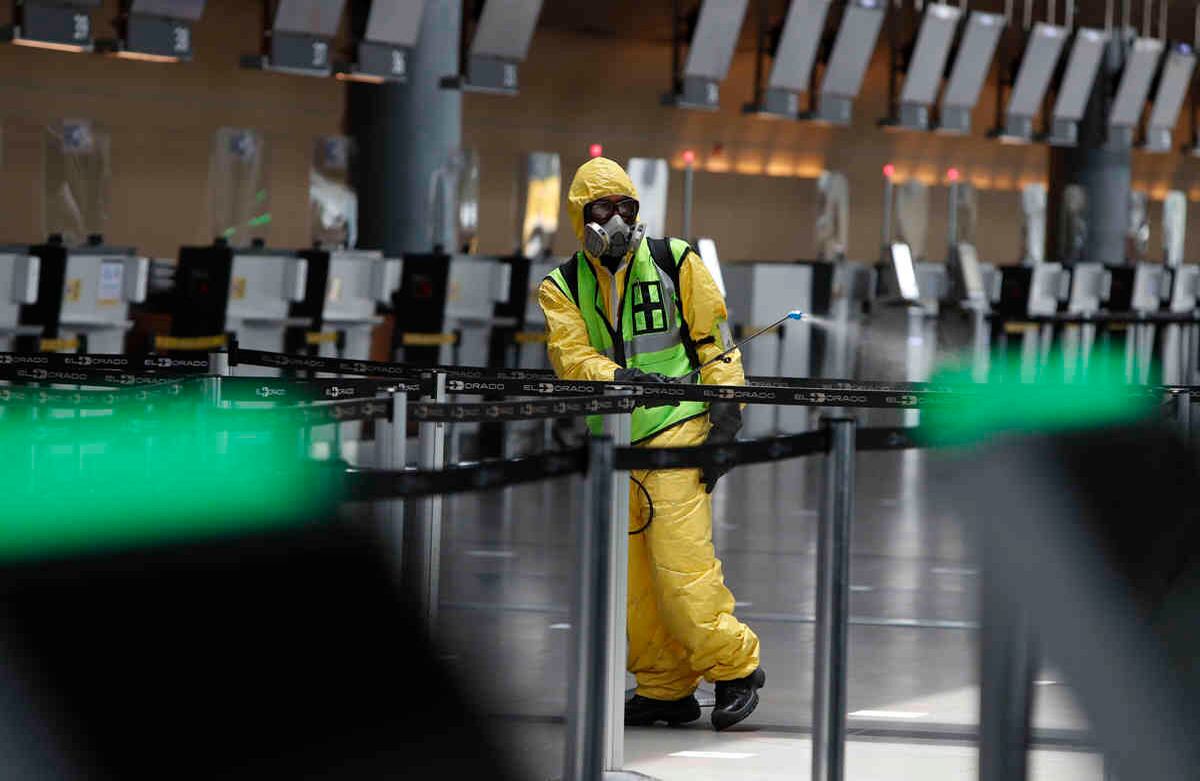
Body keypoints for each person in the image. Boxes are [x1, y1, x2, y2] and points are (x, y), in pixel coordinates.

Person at [538, 157, 764, 731]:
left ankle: (735, 669)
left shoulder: (675, 261)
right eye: (602, 208)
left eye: (626, 207)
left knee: (682, 569)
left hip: (677, 436)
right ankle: (664, 688)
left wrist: (726, 420)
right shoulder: (562, 285)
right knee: (634, 583)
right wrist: (619, 379)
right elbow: (571, 357)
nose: (616, 218)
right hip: (614, 445)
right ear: (580, 215)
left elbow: (714, 341)